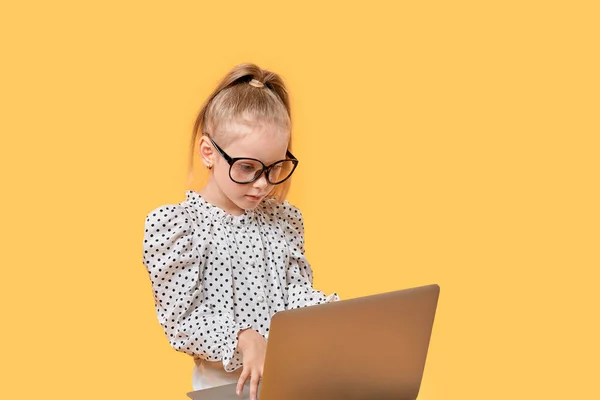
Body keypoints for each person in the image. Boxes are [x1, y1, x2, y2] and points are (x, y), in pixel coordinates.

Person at [142, 63, 338, 400]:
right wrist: (243, 338)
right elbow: (182, 319)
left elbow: (295, 293)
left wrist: (333, 316)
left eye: (275, 167)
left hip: (290, 385)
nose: (262, 183)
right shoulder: (178, 228)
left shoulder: (282, 220)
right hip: (226, 391)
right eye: (247, 167)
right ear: (209, 153)